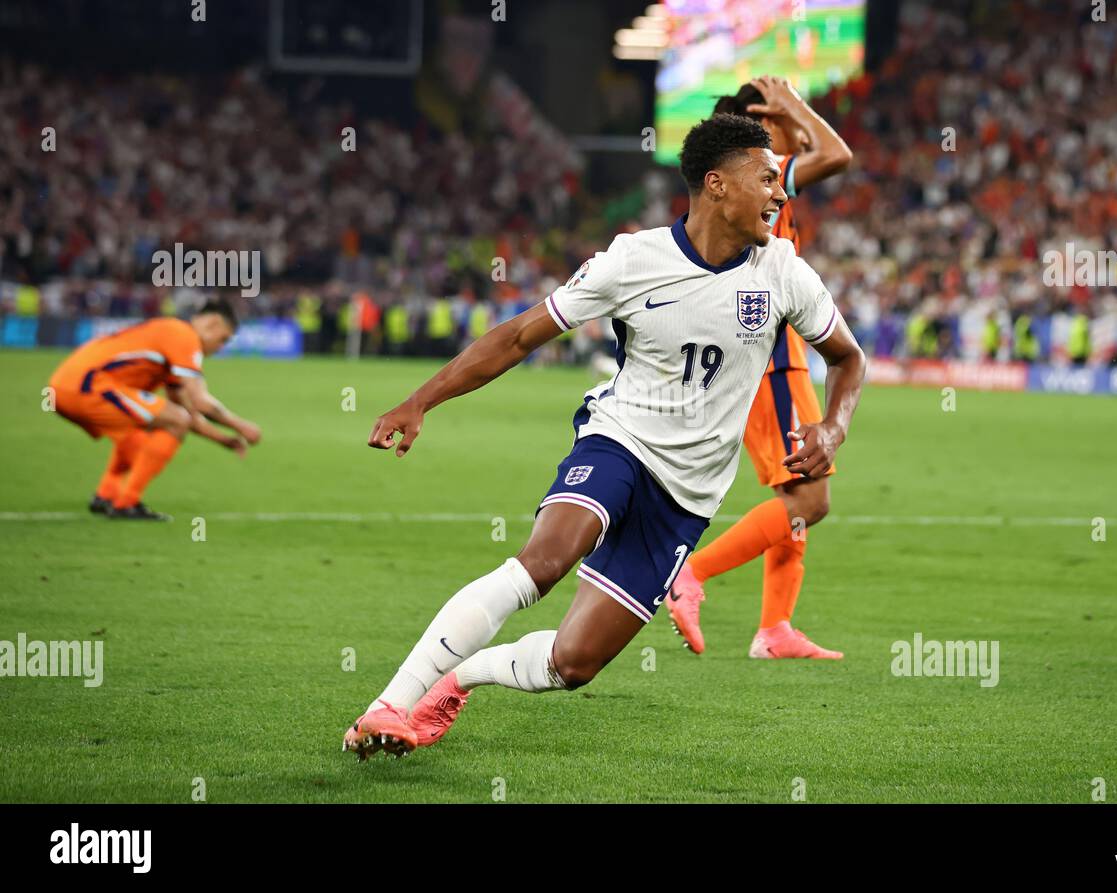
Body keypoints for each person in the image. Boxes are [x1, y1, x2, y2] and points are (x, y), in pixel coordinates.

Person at [343, 114, 866, 760]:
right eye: (766, 178)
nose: (781, 193)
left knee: (575, 662)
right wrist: (422, 399)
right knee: (544, 561)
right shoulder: (632, 260)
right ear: (717, 185)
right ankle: (387, 706)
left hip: (687, 497)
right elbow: (518, 336)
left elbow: (849, 357)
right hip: (619, 440)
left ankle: (459, 679)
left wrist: (833, 428)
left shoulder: (782, 270)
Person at [663, 75, 854, 660]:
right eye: (772, 124)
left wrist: (790, 111)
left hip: (762, 359)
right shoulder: (760, 177)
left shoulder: (741, 190)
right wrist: (792, 104)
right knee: (811, 500)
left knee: (794, 488)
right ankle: (690, 574)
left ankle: (775, 628)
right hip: (772, 362)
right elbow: (837, 155)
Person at [47, 298, 262, 520]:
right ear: (213, 324)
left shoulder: (167, 343)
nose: (220, 348)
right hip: (87, 386)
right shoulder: (183, 335)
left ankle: (106, 495)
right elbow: (199, 401)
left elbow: (188, 415)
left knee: (143, 431)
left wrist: (223, 440)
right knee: (172, 420)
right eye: (223, 339)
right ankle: (126, 503)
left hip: (63, 388)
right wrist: (242, 425)